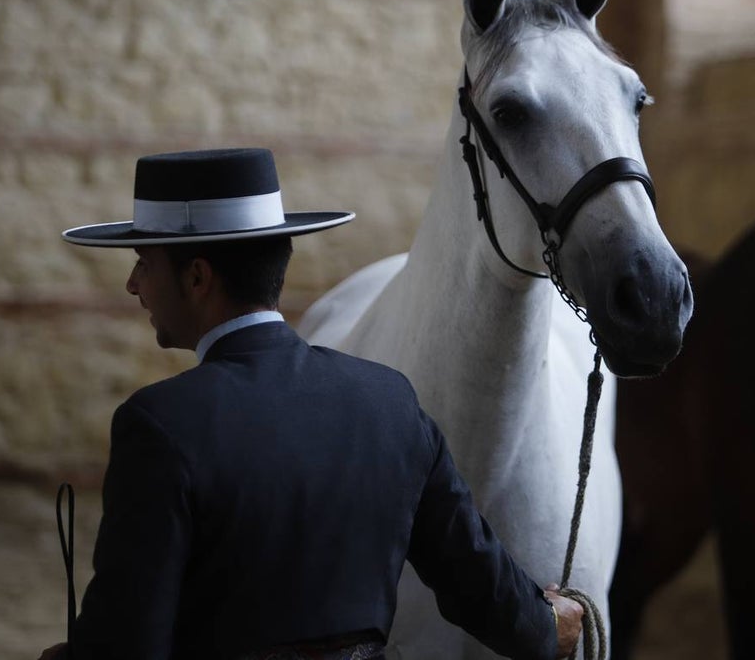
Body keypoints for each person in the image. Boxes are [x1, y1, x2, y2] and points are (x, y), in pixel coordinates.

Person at [39, 148, 583, 660]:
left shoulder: (159, 424)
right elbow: (476, 579)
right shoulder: (389, 400)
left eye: (144, 262)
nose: (133, 284)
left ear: (198, 277)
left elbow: (127, 642)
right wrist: (549, 623)